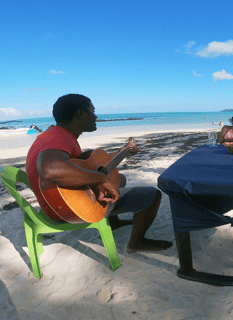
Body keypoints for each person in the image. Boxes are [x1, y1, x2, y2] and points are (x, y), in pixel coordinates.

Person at [26, 94, 172, 252]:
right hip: (67, 209)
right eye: (92, 111)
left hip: (54, 204)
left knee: (119, 179)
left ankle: (114, 222)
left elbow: (88, 165)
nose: (96, 116)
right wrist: (100, 178)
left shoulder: (55, 134)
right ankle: (137, 243)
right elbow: (49, 168)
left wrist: (124, 151)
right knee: (152, 195)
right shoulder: (58, 137)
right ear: (80, 114)